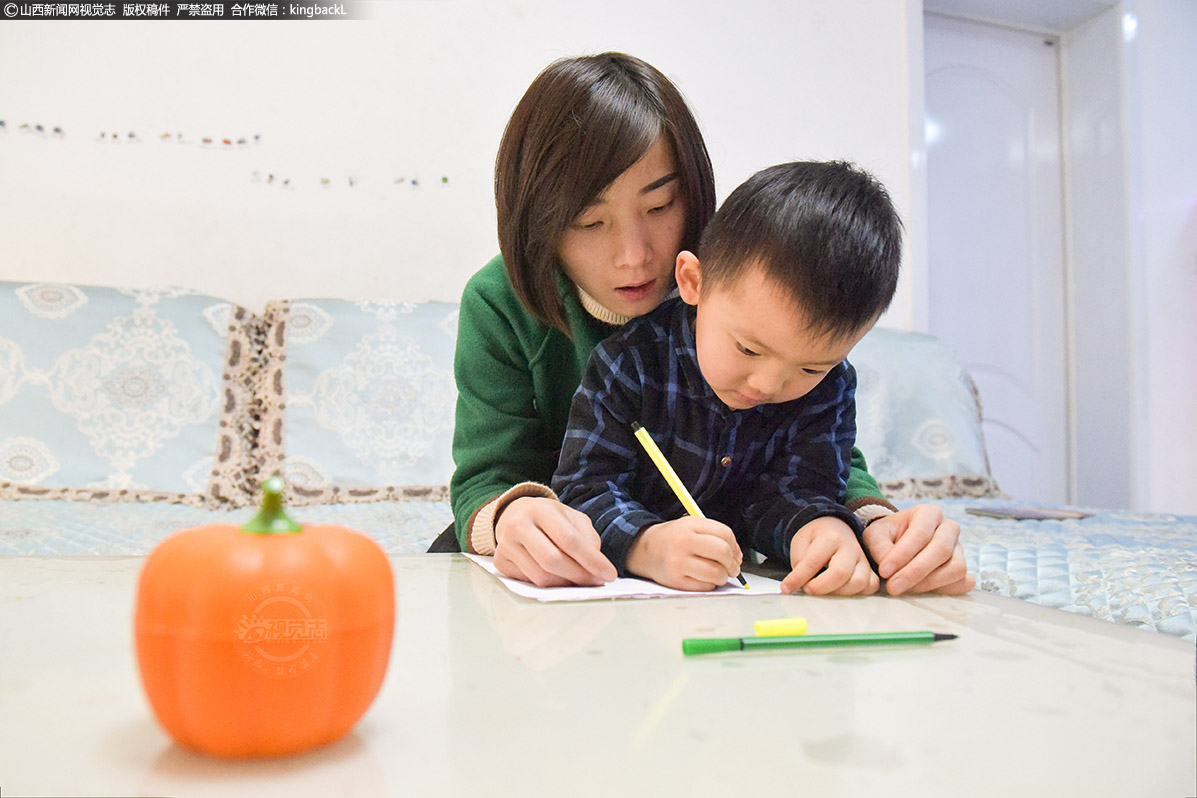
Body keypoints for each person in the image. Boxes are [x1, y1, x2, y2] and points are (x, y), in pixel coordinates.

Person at [441, 51, 973, 597]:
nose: (634, 256)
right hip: (580, 553)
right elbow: (486, 474)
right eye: (589, 220)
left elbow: (814, 445)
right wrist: (513, 516)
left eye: (660, 205)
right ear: (538, 220)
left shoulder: (736, 273)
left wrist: (874, 524)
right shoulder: (500, 301)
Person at [554, 160, 915, 595]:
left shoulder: (830, 388)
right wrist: (645, 545)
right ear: (693, 282)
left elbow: (799, 490)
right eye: (748, 348)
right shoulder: (628, 364)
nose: (766, 385)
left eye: (809, 367)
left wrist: (816, 529)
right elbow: (583, 489)